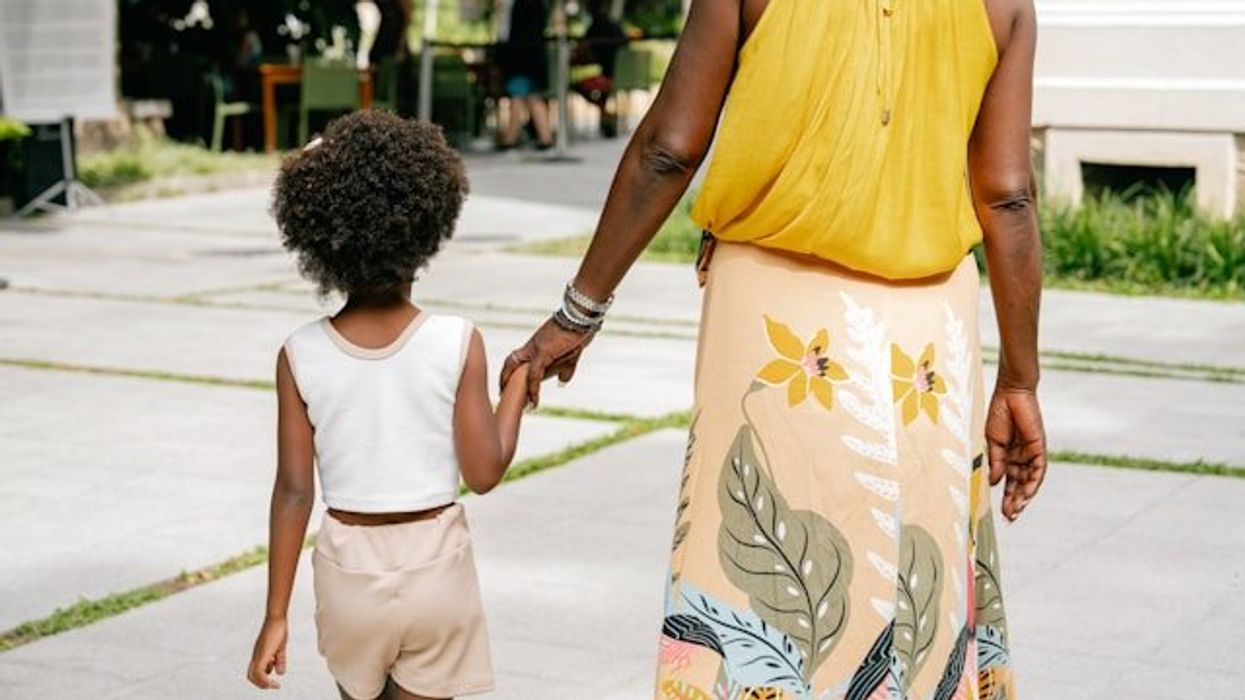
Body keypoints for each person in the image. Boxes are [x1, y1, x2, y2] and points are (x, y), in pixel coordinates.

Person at [503, 0, 1047, 697]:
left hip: (772, 324)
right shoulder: (1005, 7)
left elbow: (668, 146)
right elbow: (1005, 196)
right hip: (926, 337)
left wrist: (579, 312)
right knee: (915, 588)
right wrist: (1019, 383)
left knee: (762, 583)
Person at [246, 111, 531, 700]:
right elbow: (484, 471)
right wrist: (517, 393)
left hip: (350, 575)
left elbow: (294, 492)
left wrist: (276, 616)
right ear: (427, 225)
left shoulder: (299, 355)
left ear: (320, 237)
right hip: (437, 571)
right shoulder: (458, 341)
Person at [494, 0, 555, 149]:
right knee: (533, 97)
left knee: (517, 97)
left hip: (520, 58)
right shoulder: (539, 5)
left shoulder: (521, 5)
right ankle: (545, 137)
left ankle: (510, 139)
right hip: (532, 57)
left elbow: (510, 33)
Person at [571, 1, 628, 138]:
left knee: (576, 86)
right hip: (622, 76)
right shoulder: (616, 27)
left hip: (607, 79)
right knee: (600, 92)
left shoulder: (595, 28)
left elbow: (582, 52)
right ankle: (606, 116)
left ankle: (605, 113)